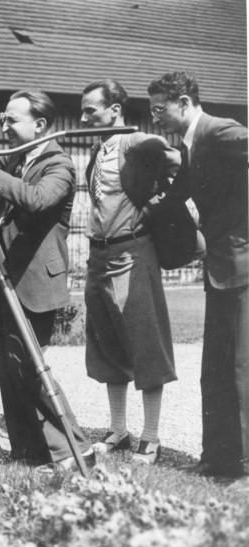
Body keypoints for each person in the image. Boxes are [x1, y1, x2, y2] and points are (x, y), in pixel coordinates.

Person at [0, 90, 94, 471]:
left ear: (38, 125)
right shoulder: (15, 163)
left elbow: (36, 200)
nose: (3, 126)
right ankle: (27, 451)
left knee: (29, 366)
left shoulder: (60, 166)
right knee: (11, 367)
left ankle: (73, 448)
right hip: (7, 278)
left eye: (11, 120)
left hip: (35, 282)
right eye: (2, 119)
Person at [147, 71, 248, 478]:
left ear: (185, 103)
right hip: (220, 269)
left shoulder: (219, 131)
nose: (154, 117)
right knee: (215, 371)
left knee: (242, 370)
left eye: (160, 109)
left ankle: (242, 469)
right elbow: (176, 196)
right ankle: (215, 458)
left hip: (243, 267)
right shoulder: (189, 146)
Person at [79, 79, 180, 464]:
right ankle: (119, 430)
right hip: (99, 257)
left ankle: (150, 435)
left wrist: (156, 202)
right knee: (107, 344)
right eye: (84, 110)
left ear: (115, 110)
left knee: (145, 342)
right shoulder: (98, 149)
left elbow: (175, 163)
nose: (86, 117)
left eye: (92, 110)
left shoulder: (134, 142)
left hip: (132, 253)